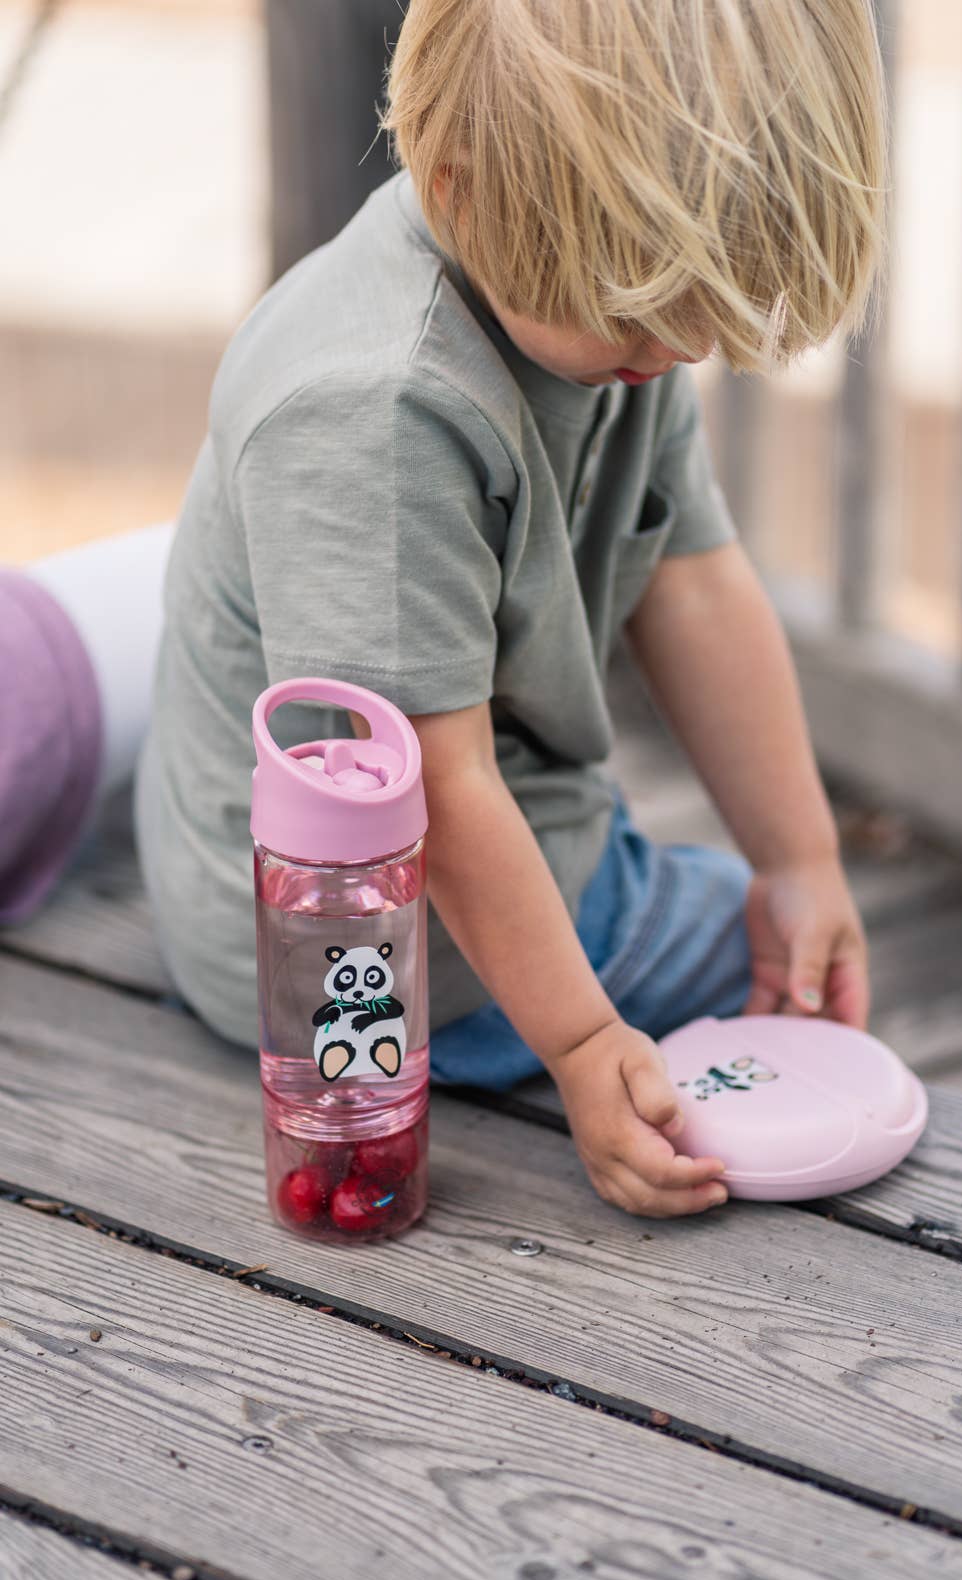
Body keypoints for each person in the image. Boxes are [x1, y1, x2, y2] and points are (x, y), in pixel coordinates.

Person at [3, 0, 887, 1218]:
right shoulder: (377, 411)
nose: (679, 340)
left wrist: (801, 855)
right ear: (465, 187)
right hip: (356, 961)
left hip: (470, 823)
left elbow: (694, 574)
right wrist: (585, 1043)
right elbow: (432, 788)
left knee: (773, 907)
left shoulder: (597, 279)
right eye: (646, 315)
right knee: (755, 974)